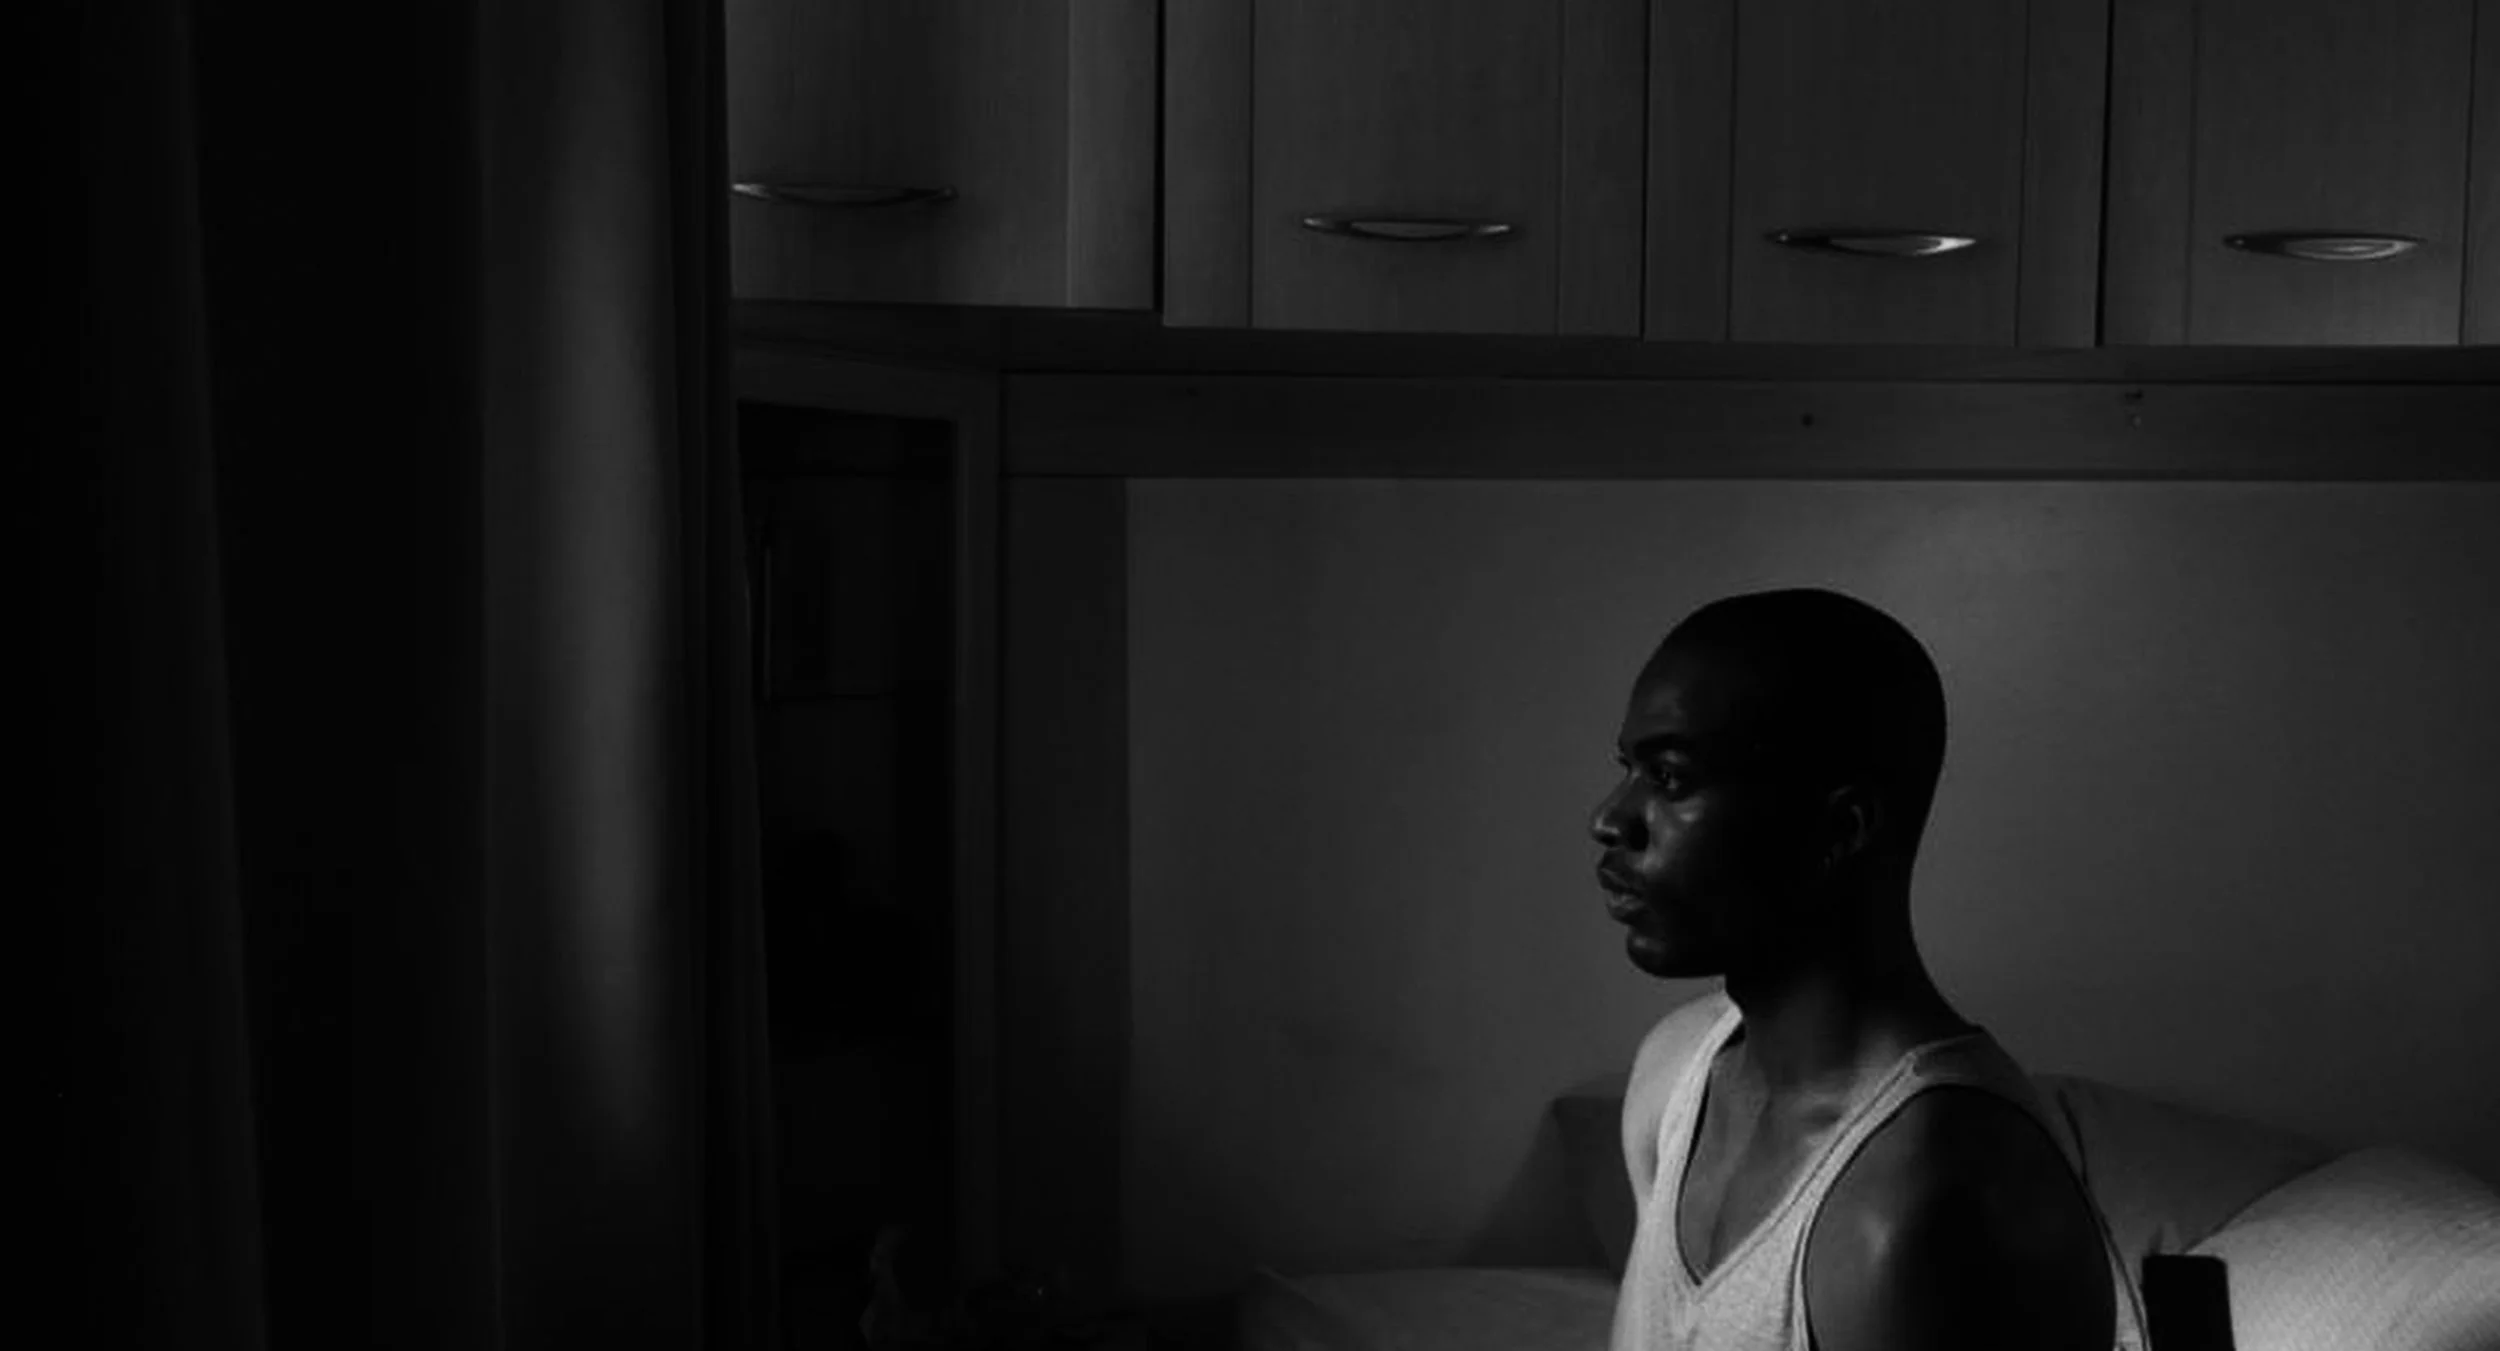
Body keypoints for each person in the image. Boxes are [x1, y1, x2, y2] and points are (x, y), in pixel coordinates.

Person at [1589, 588, 2145, 1351]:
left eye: (1671, 776)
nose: (1610, 818)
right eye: (1628, 769)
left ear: (1841, 827)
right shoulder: (1674, 1069)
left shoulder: (1935, 1203)